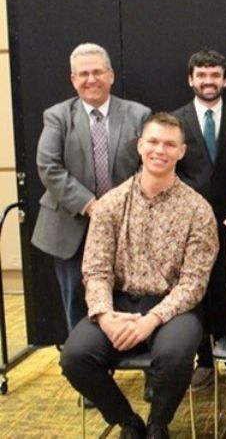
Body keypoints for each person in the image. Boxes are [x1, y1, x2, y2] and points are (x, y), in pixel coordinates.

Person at [60, 112, 219, 439]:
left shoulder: (198, 209)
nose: (160, 150)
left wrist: (152, 320)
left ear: (181, 152)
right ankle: (128, 422)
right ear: (140, 146)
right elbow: (96, 270)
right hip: (117, 305)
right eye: (154, 142)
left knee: (175, 357)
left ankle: (158, 424)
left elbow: (194, 282)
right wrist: (104, 317)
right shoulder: (111, 204)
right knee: (74, 357)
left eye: (169, 144)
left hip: (173, 309)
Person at [32, 42, 151, 333]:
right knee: (76, 301)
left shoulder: (139, 115)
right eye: (83, 74)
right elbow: (49, 166)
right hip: (72, 226)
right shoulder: (57, 116)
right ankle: (87, 367)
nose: (91, 79)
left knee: (127, 299)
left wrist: (116, 206)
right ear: (73, 80)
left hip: (126, 223)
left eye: (97, 72)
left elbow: (148, 165)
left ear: (110, 75)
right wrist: (91, 205)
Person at [172, 49, 226, 391]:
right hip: (189, 227)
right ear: (191, 79)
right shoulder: (175, 122)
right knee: (195, 293)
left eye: (215, 75)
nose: (209, 81)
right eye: (202, 75)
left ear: (225, 80)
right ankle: (204, 361)